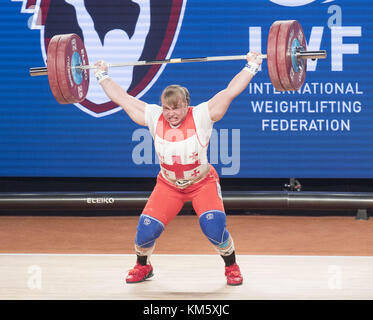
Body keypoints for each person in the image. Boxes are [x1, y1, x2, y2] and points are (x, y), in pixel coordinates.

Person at [94, 52, 263, 285]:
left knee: (214, 229)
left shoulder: (203, 114)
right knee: (145, 233)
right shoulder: (154, 116)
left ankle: (231, 266)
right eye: (166, 108)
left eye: (176, 108)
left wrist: (252, 66)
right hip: (168, 185)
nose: (171, 113)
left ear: (186, 104)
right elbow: (123, 98)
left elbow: (230, 91)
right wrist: (101, 74)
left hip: (202, 184)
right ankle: (143, 267)